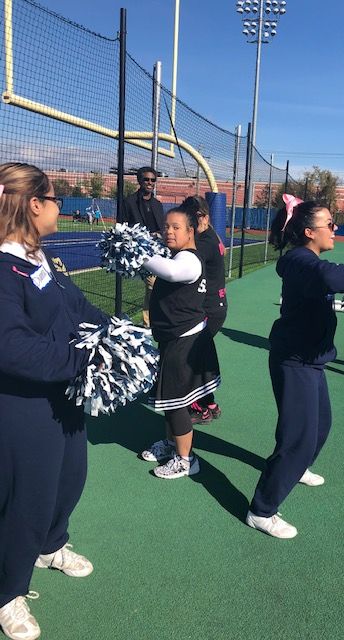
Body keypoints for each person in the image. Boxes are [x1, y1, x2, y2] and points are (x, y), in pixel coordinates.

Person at [0, 163, 108, 640]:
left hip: (63, 394)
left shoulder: (42, 259)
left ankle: (51, 544)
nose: (62, 206)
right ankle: (8, 591)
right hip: (24, 405)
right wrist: (81, 356)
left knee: (70, 477)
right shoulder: (4, 267)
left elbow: (78, 309)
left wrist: (118, 334)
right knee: (29, 496)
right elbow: (12, 345)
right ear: (34, 205)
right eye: (55, 197)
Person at [246, 196, 344, 539]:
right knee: (298, 438)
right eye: (330, 225)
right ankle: (261, 510)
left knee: (320, 426)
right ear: (308, 232)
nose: (336, 229)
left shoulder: (306, 258)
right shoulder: (302, 260)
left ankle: (296, 467)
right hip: (295, 359)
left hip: (312, 359)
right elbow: (329, 276)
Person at [139, 205, 221, 479]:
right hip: (173, 338)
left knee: (174, 401)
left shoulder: (189, 259)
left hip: (185, 341)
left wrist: (136, 250)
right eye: (167, 227)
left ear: (190, 230)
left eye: (176, 227)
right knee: (169, 400)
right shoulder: (176, 255)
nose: (169, 232)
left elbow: (172, 273)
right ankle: (171, 443)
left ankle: (186, 460)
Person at [181, 196, 227, 424]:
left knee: (190, 358)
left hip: (208, 309)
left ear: (206, 217)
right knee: (200, 356)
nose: (191, 221)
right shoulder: (210, 235)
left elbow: (184, 264)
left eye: (195, 217)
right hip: (214, 306)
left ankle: (198, 407)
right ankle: (209, 403)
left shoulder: (204, 243)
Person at [123, 167, 165, 327]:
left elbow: (162, 226)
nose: (150, 183)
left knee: (155, 286)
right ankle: (148, 322)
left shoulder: (157, 204)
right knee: (153, 284)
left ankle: (150, 320)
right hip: (140, 253)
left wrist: (159, 235)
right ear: (140, 181)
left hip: (158, 251)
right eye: (146, 179)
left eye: (153, 180)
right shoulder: (129, 202)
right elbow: (123, 228)